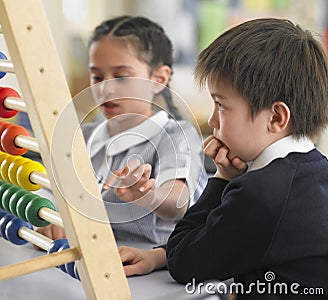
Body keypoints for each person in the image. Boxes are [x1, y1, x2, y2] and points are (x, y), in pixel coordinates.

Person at [119, 18, 328, 298]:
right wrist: (159, 256)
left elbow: (185, 263)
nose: (212, 119)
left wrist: (222, 178)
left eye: (221, 105)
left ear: (277, 117)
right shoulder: (314, 172)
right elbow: (221, 244)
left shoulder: (261, 194)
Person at [37, 16, 207, 245]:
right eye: (97, 76)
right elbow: (51, 190)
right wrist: (46, 214)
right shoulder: (84, 136)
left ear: (159, 78)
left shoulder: (177, 136)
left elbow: (176, 203)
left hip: (152, 266)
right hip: (92, 257)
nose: (105, 88)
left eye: (121, 76)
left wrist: (149, 195)